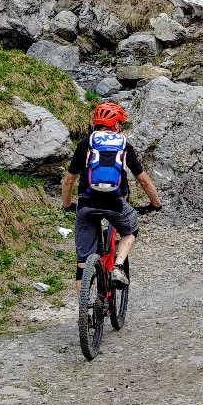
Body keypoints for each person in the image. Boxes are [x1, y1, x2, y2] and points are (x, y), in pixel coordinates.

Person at [61, 101, 162, 290]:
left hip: (86, 205)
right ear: (116, 124)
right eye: (120, 124)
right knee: (130, 231)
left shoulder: (85, 144)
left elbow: (69, 181)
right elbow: (144, 181)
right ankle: (117, 266)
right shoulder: (124, 145)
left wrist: (67, 205)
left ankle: (86, 315)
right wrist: (156, 204)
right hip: (115, 204)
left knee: (82, 265)